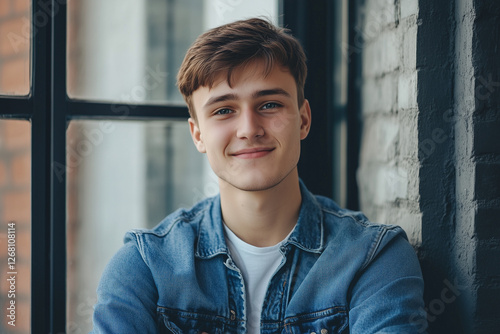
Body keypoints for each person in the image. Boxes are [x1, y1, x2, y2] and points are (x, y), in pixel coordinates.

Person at [91, 18, 426, 333]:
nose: (249, 130)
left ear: (304, 119)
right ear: (197, 135)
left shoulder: (373, 258)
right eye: (224, 110)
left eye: (269, 105)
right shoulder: (144, 268)